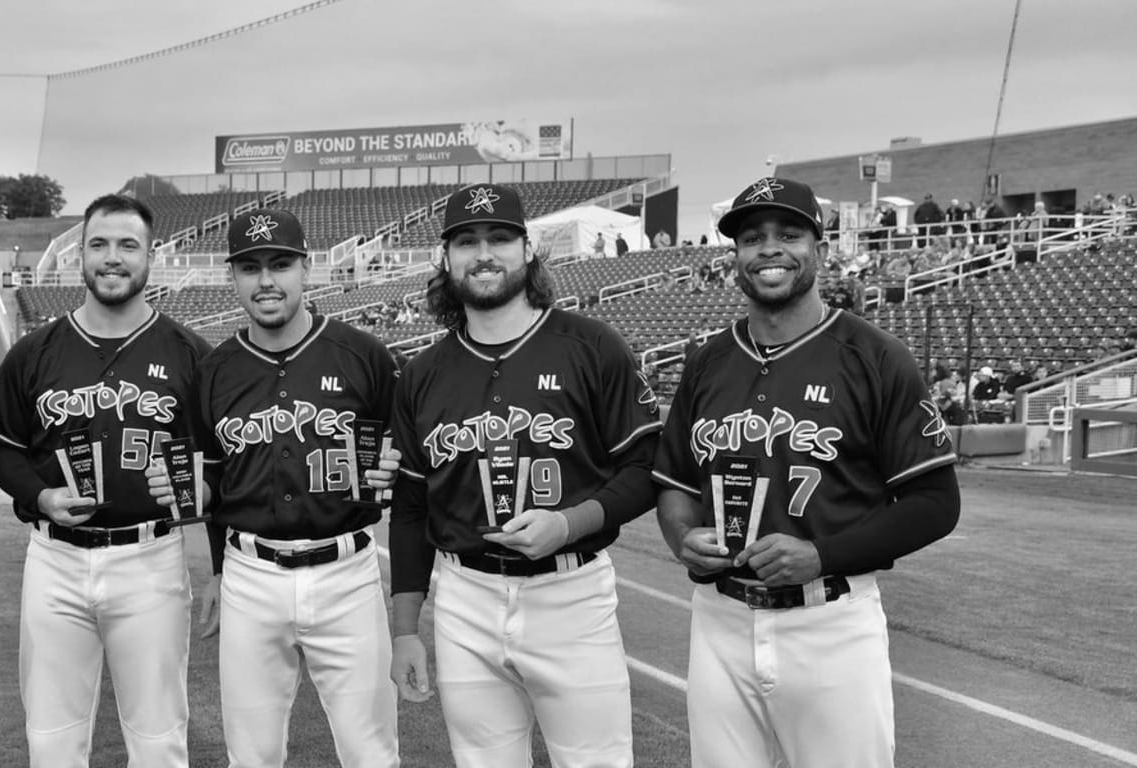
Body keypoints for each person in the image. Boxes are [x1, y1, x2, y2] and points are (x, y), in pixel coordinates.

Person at [653, 177, 960, 768]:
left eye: (788, 234)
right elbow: (673, 483)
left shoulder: (875, 357)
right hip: (720, 618)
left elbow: (935, 503)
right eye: (752, 237)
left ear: (819, 246)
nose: (770, 249)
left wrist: (821, 555)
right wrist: (681, 537)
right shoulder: (708, 361)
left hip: (831, 620)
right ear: (735, 256)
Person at [388, 183, 662, 766]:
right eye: (467, 241)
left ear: (527, 250)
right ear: (446, 258)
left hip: (571, 592)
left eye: (499, 238)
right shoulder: (422, 373)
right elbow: (412, 505)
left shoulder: (590, 345)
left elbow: (644, 469)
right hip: (464, 595)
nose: (483, 253)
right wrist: (405, 628)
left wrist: (569, 524)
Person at [148, 208, 403, 767]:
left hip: (348, 575)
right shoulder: (213, 371)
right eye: (250, 267)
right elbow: (212, 476)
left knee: (371, 752)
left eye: (280, 263)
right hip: (251, 576)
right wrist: (190, 494)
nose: (266, 280)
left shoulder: (365, 356)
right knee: (253, 754)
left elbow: (405, 454)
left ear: (305, 268)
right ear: (232, 277)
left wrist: (393, 472)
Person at [0, 194, 210, 767]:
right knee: (52, 740)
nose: (112, 258)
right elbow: (4, 451)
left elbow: (224, 463)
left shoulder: (192, 356)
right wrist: (39, 495)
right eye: (99, 244)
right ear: (80, 255)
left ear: (151, 256)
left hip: (152, 558)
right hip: (54, 561)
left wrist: (207, 513)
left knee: (160, 741)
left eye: (127, 245)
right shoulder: (33, 353)